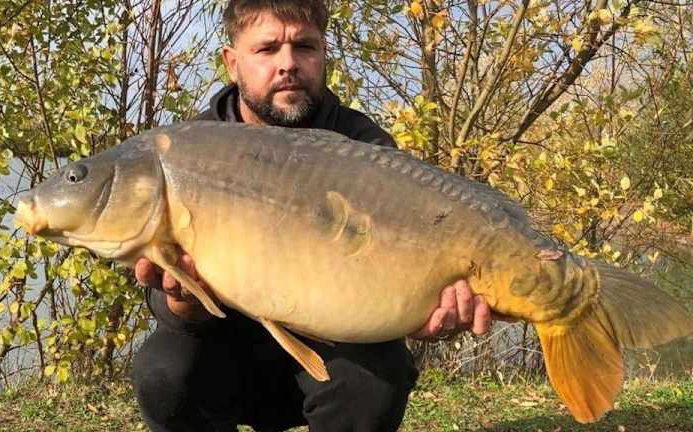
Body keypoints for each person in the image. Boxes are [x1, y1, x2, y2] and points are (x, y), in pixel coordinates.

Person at [131, 1, 492, 430]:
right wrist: (183, 303)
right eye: (267, 49)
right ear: (232, 62)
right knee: (163, 372)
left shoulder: (364, 147)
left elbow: (402, 274)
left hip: (334, 349)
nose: (288, 64)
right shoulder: (189, 152)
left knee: (378, 375)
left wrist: (428, 310)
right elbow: (159, 293)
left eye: (304, 46)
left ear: (323, 54)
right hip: (229, 351)